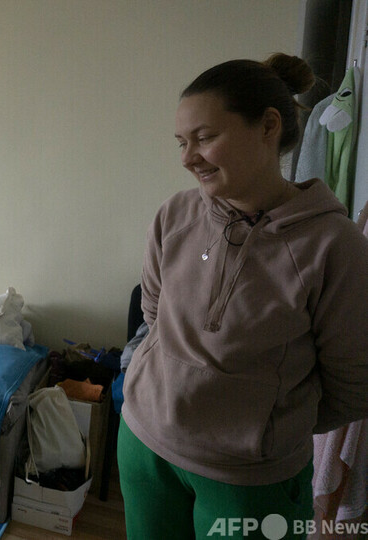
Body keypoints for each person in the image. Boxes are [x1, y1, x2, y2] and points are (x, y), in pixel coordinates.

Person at [118, 53, 368, 539]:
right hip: (145, 444)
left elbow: (353, 383)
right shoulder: (175, 215)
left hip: (249, 478)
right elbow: (153, 313)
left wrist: (267, 423)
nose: (188, 158)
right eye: (182, 142)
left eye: (205, 137)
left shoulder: (333, 247)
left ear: (268, 126)